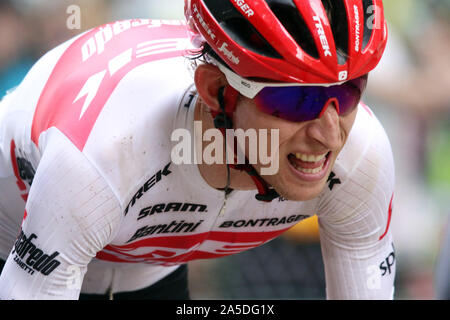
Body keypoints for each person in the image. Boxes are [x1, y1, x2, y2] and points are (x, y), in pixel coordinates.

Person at [0, 0, 396, 299]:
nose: (329, 136)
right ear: (216, 91)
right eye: (298, 101)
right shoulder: (107, 151)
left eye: (348, 93)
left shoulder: (362, 154)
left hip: (146, 263)